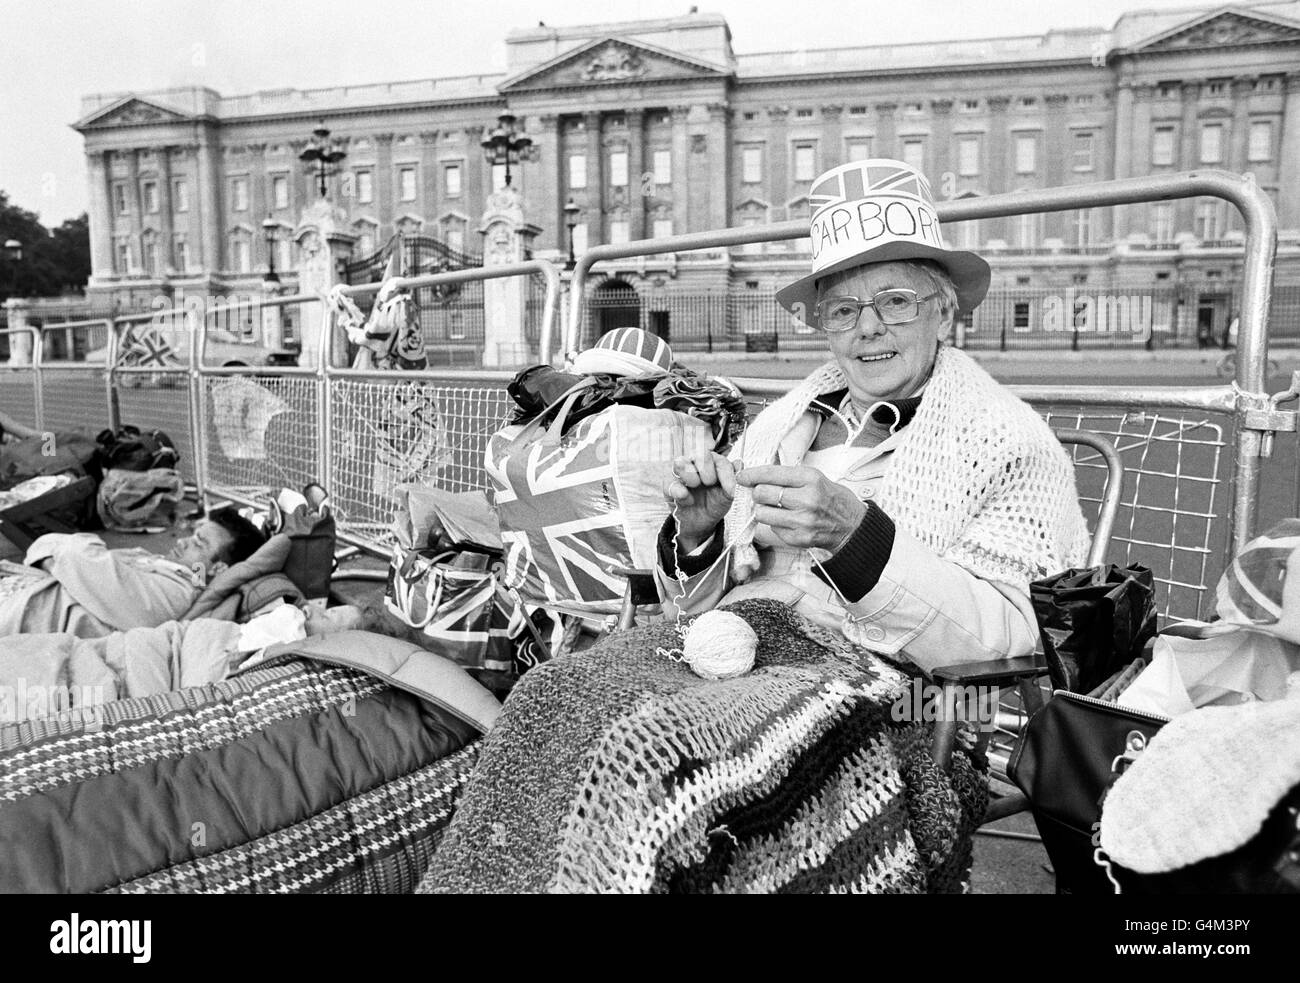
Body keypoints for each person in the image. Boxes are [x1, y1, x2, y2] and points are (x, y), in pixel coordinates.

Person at [657, 158, 1090, 674]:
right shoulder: (778, 425)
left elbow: (1009, 642)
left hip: (879, 694)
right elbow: (686, 612)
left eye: (895, 302)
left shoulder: (1011, 444)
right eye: (843, 310)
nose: (867, 328)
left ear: (944, 311)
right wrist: (696, 537)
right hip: (725, 659)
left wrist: (855, 538)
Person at [0, 506, 265, 638]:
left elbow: (74, 555)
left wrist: (53, 550)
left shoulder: (178, 590)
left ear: (217, 568)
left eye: (199, 543)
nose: (183, 541)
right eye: (192, 535)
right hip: (22, 597)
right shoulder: (168, 571)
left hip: (21, 612)